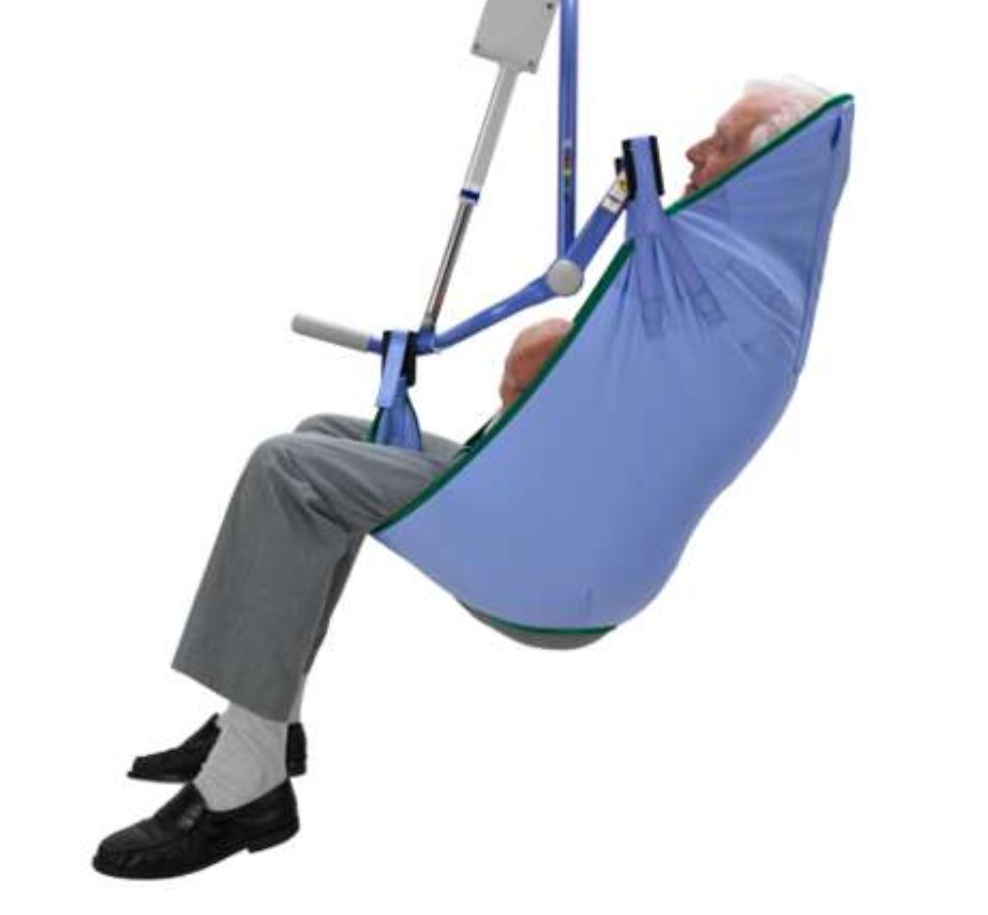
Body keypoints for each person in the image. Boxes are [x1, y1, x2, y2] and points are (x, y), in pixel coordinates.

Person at [91, 75, 832, 879]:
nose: (692, 151)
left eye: (720, 142)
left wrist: (539, 357)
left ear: (763, 173)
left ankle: (245, 788)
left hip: (558, 564)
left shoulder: (719, 297)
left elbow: (559, 370)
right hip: (573, 525)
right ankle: (262, 719)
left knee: (288, 469)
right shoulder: (753, 295)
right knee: (323, 438)